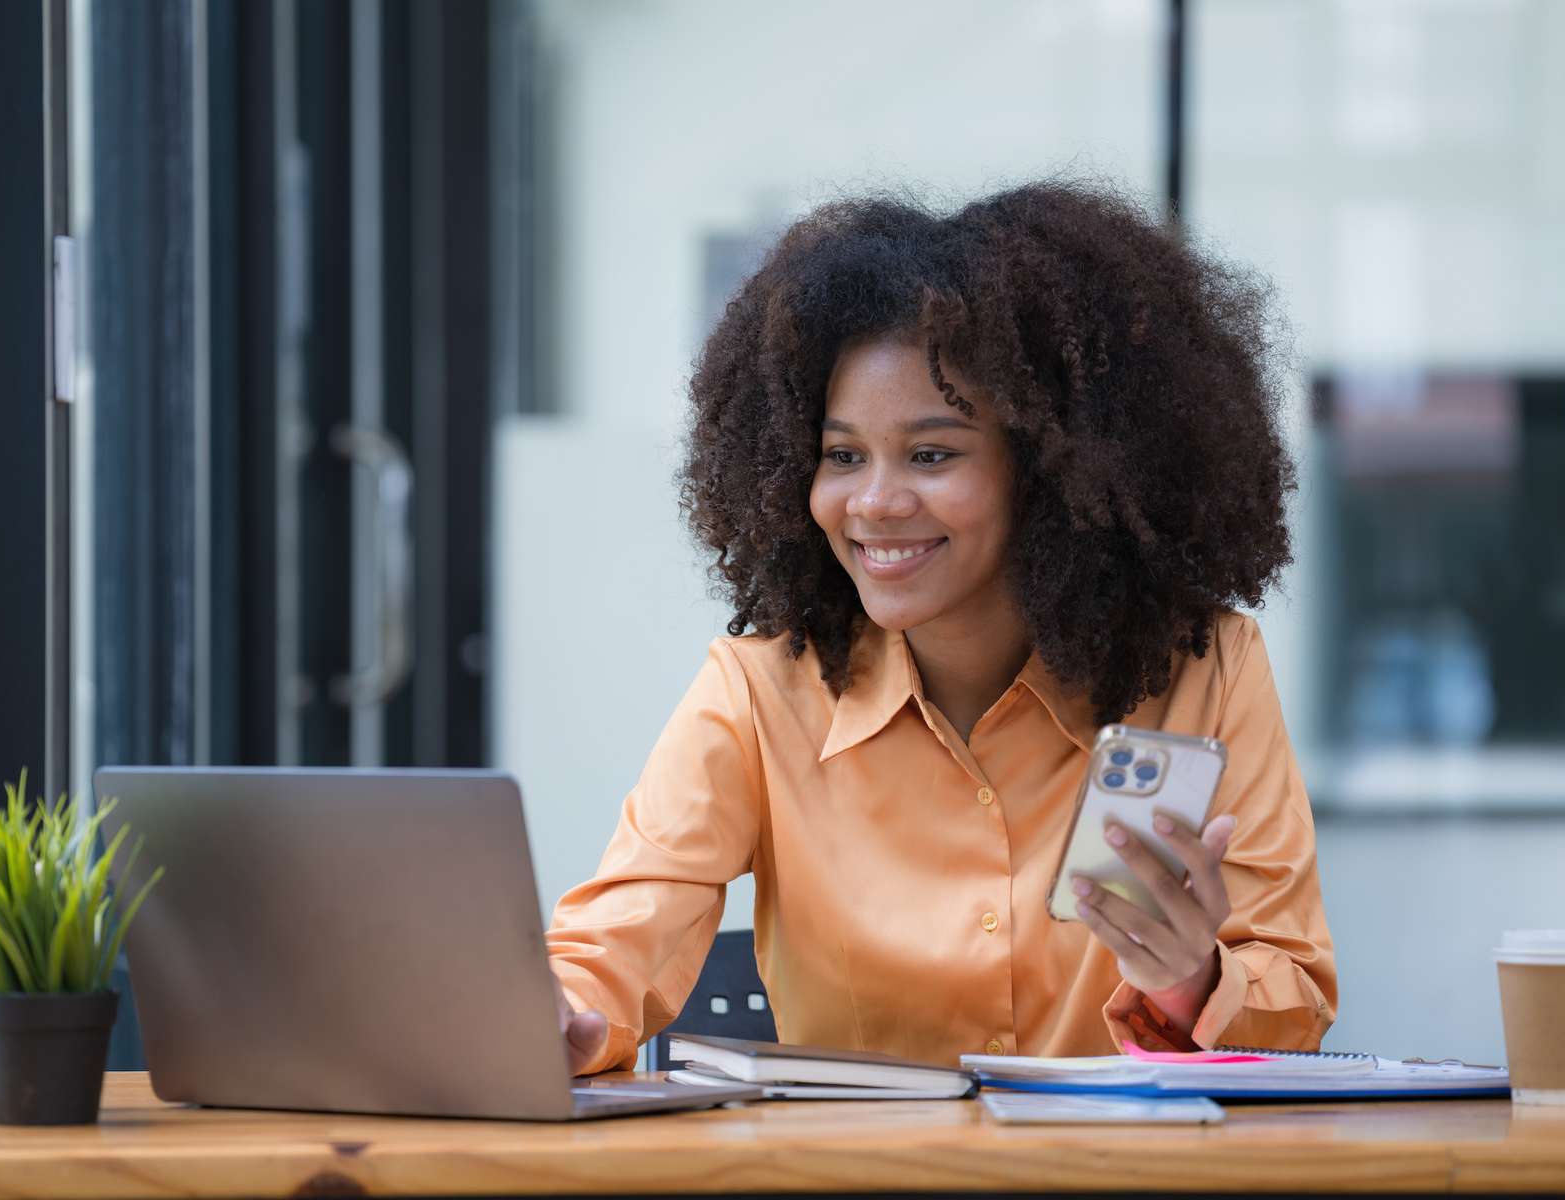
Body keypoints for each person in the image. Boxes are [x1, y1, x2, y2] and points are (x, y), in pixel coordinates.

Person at [547, 180, 1337, 1076]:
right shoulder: (759, 691)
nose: (876, 503)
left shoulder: (1204, 671)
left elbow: (1295, 1003)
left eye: (932, 454)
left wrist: (1190, 981)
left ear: (1050, 474)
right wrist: (563, 1013)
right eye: (842, 456)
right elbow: (613, 941)